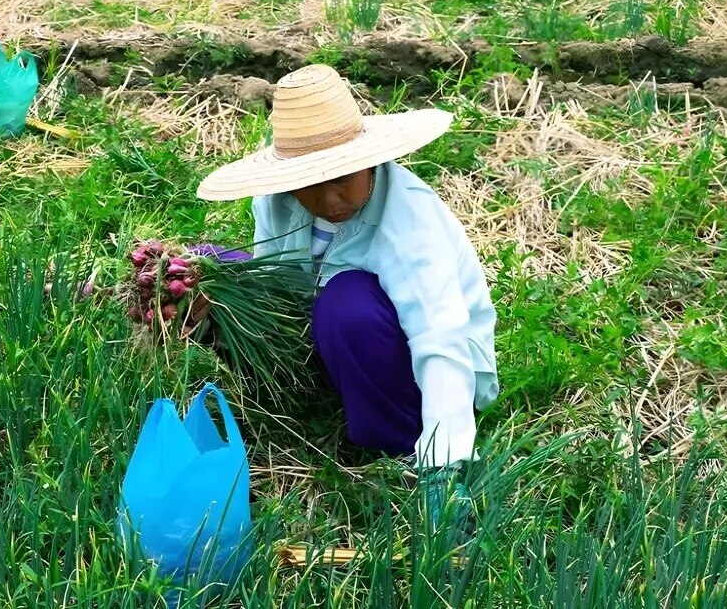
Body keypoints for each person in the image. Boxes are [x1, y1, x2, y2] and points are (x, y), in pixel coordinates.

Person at [192, 64, 499, 549]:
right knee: (210, 270)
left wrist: (443, 459)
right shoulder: (277, 204)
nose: (330, 199)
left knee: (347, 302)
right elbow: (279, 289)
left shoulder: (409, 219)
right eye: (309, 185)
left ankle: (397, 441)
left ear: (368, 161)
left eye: (342, 180)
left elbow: (441, 340)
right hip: (339, 339)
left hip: (428, 367)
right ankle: (311, 391)